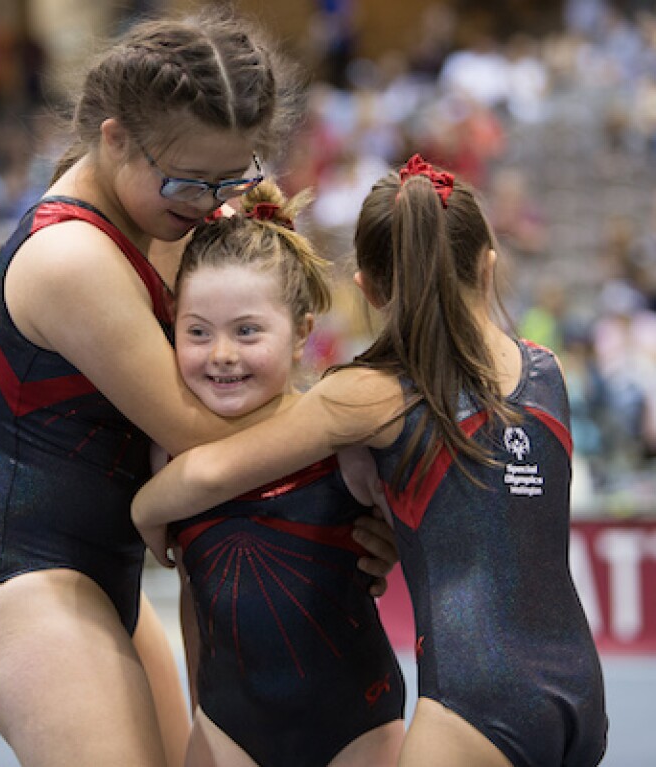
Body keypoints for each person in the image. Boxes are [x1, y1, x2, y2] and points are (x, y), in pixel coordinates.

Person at [0, 9, 396, 767]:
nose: (209, 202)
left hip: (102, 569)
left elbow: (254, 415)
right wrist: (354, 438)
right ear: (113, 138)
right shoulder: (71, 257)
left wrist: (343, 508)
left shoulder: (162, 220)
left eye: (233, 177)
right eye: (187, 180)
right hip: (21, 575)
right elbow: (210, 436)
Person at [132, 154, 609, 767]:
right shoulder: (550, 370)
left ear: (369, 289)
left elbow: (206, 473)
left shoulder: (368, 394)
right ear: (488, 268)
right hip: (579, 688)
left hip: (471, 705)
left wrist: (146, 511)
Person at [141, 179, 405, 767]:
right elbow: (192, 592)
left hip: (358, 725)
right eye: (198, 331)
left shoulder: (343, 444)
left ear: (302, 334)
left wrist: (390, 545)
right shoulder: (171, 457)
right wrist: (199, 711)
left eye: (247, 330)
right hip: (227, 728)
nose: (222, 354)